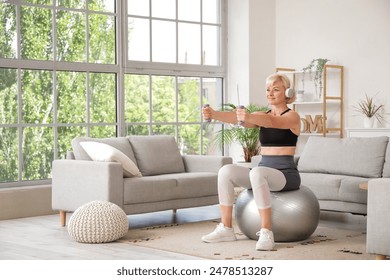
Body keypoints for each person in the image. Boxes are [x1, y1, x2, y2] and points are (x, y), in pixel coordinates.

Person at [201, 73, 301, 251]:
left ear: (288, 92)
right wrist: (214, 114)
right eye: (268, 90)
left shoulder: (292, 117)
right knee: (226, 171)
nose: (270, 93)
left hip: (285, 174)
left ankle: (266, 232)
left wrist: (247, 117)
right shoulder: (261, 115)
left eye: (276, 89)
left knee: (257, 172)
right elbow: (237, 118)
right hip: (262, 173)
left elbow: (271, 121)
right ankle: (226, 228)